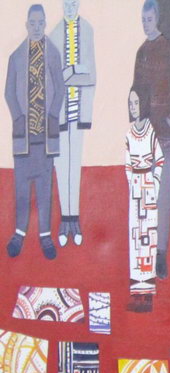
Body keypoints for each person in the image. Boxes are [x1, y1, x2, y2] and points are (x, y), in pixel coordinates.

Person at [5, 3, 64, 260]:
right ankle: (18, 233)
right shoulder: (16, 57)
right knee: (21, 186)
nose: (37, 27)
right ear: (26, 25)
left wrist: (51, 116)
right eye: (33, 23)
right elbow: (8, 93)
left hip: (45, 135)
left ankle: (45, 236)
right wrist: (19, 118)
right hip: (24, 135)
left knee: (44, 186)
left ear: (45, 24)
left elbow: (60, 89)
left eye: (41, 23)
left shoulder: (53, 54)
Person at [133, 0, 170, 279]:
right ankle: (146, 252)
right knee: (144, 195)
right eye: (143, 19)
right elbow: (136, 91)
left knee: (163, 197)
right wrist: (137, 122)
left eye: (149, 19)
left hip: (167, 135)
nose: (145, 24)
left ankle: (160, 253)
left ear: (157, 19)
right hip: (146, 135)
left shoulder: (169, 48)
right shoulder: (141, 53)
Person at [50, 0, 96, 247]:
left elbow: (91, 74)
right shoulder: (54, 33)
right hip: (59, 112)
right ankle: (64, 221)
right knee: (61, 166)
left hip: (78, 112)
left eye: (73, 3)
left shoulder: (87, 30)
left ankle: (74, 219)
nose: (70, 8)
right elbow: (52, 78)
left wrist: (68, 74)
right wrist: (73, 73)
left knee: (74, 166)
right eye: (66, 3)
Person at [124, 87, 162, 313]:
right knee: (135, 241)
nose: (133, 107)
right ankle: (136, 294)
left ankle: (148, 296)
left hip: (148, 188)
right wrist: (132, 184)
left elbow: (160, 160)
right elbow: (127, 164)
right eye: (130, 103)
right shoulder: (129, 134)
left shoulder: (151, 131)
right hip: (135, 192)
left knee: (148, 241)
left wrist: (153, 184)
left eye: (136, 103)